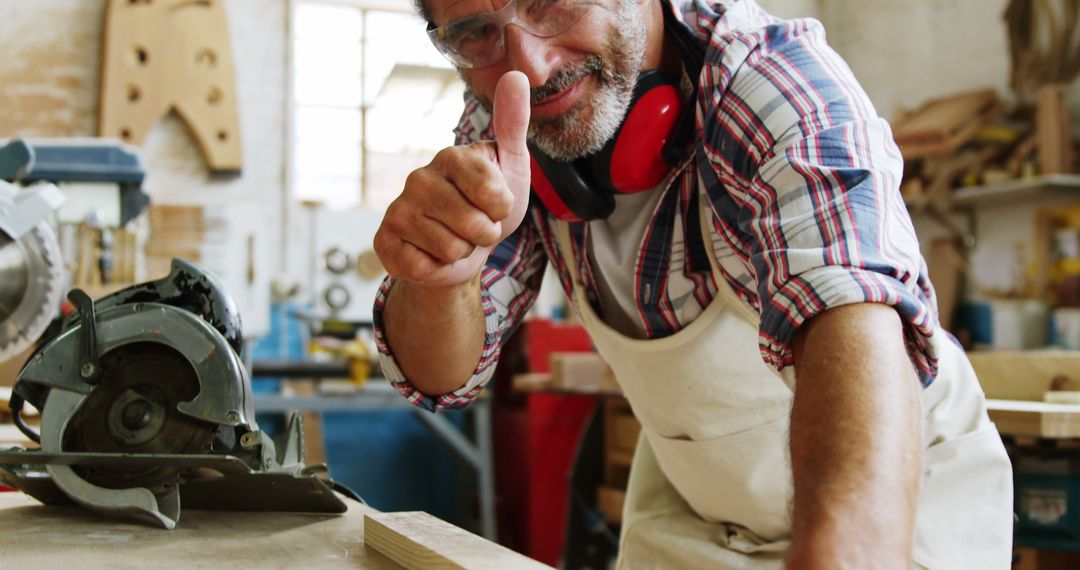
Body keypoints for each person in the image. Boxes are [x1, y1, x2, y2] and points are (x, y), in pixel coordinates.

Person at [372, 0, 1014, 567]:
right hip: (696, 505)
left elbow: (856, 326)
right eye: (477, 34)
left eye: (553, 2)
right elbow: (440, 379)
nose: (530, 68)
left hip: (895, 497)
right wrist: (439, 283)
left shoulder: (772, 84)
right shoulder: (504, 115)